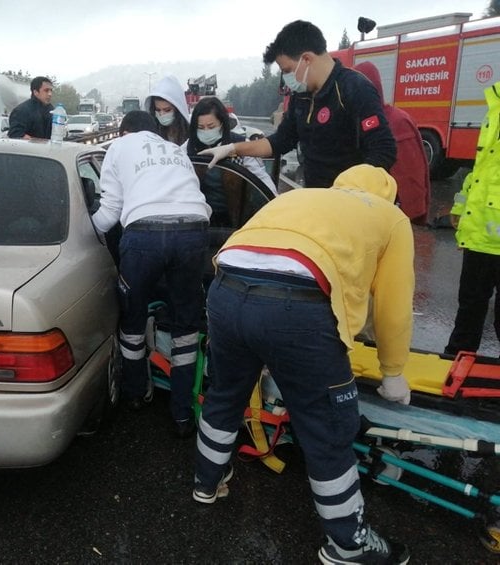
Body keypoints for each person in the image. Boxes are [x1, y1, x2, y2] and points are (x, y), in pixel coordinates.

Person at [193, 164, 414, 564]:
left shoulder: (300, 196)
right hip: (298, 309)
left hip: (225, 289)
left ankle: (206, 481)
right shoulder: (390, 217)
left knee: (225, 394)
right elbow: (393, 308)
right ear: (388, 195)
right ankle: (349, 544)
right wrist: (393, 371)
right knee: (326, 427)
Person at [91, 110, 211, 438]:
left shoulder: (117, 148)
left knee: (132, 318)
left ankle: (134, 395)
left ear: (124, 131)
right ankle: (182, 414)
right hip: (193, 230)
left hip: (144, 235)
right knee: (186, 324)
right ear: (153, 130)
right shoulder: (175, 150)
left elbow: (110, 212)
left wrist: (84, 232)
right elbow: (196, 200)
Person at [199, 20, 396, 188]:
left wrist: (352, 188)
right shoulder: (300, 97)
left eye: (287, 70)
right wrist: (232, 148)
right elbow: (280, 142)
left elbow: (384, 150)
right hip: (316, 198)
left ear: (307, 59)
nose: (286, 78)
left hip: (351, 201)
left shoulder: (354, 88)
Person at [444, 82, 500, 356]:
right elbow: (482, 170)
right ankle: (456, 360)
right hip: (480, 235)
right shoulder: (495, 106)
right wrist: (461, 207)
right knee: (469, 306)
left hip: (493, 237)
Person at [355, 61, 431, 224]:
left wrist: (411, 211)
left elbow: (411, 173)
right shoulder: (359, 118)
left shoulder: (396, 121)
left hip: (391, 213)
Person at [185, 97, 277, 199]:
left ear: (222, 124)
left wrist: (274, 201)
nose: (206, 131)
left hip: (234, 209)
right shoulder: (188, 148)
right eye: (201, 128)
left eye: (211, 127)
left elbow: (260, 178)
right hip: (199, 208)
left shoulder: (240, 144)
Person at [144, 75, 191, 145]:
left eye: (167, 110)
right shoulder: (151, 134)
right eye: (158, 110)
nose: (162, 114)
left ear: (178, 109)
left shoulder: (190, 133)